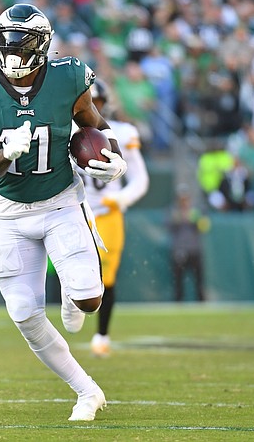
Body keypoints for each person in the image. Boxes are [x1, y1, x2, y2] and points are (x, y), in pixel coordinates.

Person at [0, 3, 127, 421]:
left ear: (42, 46)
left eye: (22, 43)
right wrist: (4, 154)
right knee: (23, 313)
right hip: (10, 212)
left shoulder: (69, 77)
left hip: (60, 200)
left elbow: (96, 125)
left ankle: (71, 292)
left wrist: (115, 158)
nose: (12, 52)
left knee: (88, 298)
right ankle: (87, 391)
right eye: (6, 42)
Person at [80, 79, 149, 357]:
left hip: (108, 214)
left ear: (104, 103)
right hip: (74, 212)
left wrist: (120, 199)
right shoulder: (64, 130)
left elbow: (140, 180)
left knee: (105, 277)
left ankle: (102, 334)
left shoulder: (121, 132)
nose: (91, 108)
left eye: (95, 103)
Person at [168, 189, 210, 302]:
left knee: (199, 280)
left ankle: (201, 302)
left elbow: (203, 227)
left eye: (186, 199)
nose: (184, 202)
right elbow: (170, 226)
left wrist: (196, 219)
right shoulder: (174, 212)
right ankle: (178, 303)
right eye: (182, 199)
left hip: (194, 250)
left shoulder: (195, 212)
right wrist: (180, 217)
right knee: (178, 281)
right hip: (179, 250)